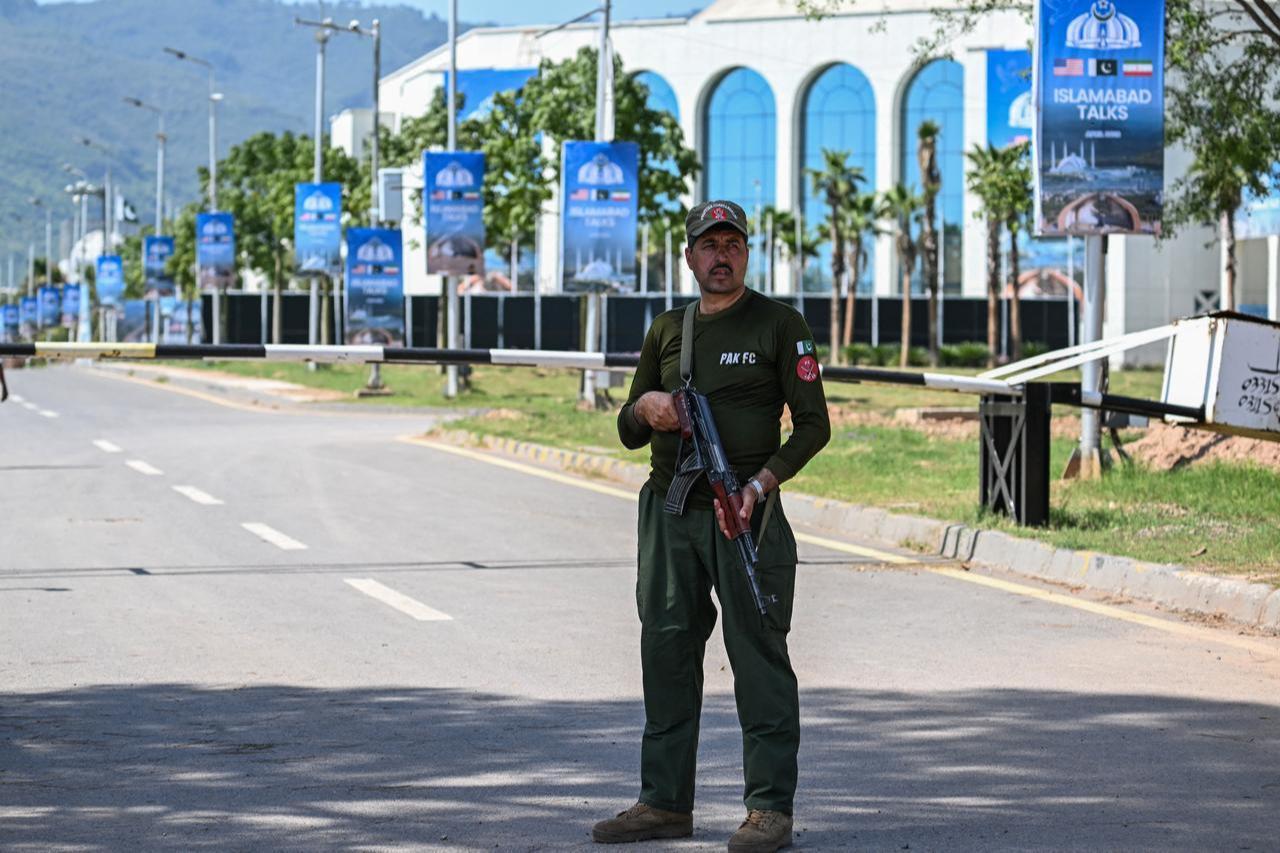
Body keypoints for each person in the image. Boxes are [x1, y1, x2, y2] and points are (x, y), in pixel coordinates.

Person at [593, 200, 830, 852]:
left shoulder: (781, 325)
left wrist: (760, 484)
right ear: (689, 256)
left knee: (758, 656)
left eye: (732, 245)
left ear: (747, 253)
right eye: (709, 245)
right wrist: (647, 407)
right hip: (671, 513)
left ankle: (769, 809)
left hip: (745, 516)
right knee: (666, 653)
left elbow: (814, 426)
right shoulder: (668, 330)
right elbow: (627, 427)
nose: (721, 256)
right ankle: (663, 802)